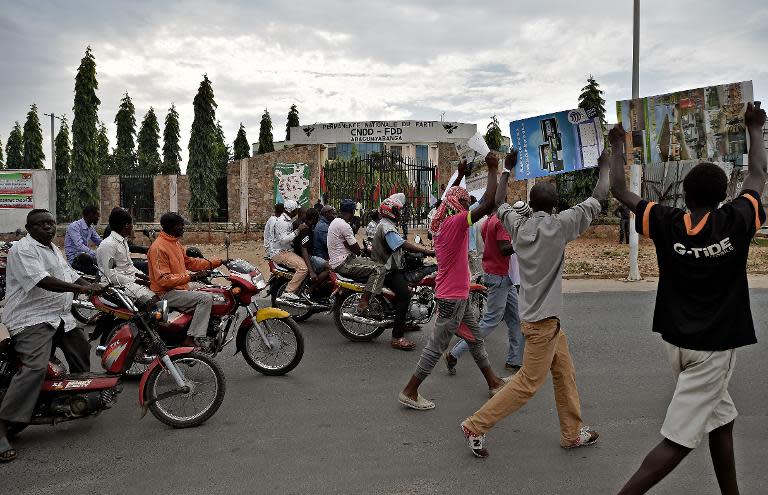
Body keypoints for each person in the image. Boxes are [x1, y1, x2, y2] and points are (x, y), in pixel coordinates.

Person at [612, 102, 767, 495]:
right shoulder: (737, 219)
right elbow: (758, 173)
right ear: (724, 194)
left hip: (677, 343)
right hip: (713, 348)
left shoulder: (667, 221)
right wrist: (755, 127)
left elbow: (619, 190)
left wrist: (616, 146)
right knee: (679, 439)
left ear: (684, 192)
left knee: (722, 418)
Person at [459, 146, 609, 458]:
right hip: (543, 323)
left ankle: (571, 434)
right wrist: (606, 165)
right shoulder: (561, 224)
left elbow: (498, 202)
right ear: (554, 206)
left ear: (530, 203)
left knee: (564, 372)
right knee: (527, 383)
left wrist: (506, 170)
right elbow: (598, 197)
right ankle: (476, 423)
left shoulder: (518, 224)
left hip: (542, 320)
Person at [398, 154, 508, 411]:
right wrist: (494, 168)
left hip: (458, 293)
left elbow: (449, 195)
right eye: (466, 201)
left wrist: (460, 175)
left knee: (476, 338)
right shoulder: (457, 223)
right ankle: (410, 391)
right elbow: (489, 201)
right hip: (452, 297)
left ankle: (493, 382)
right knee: (436, 347)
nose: (469, 204)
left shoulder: (441, 221)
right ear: (459, 205)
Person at [0, 209, 103, 463]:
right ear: (29, 228)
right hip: (32, 318)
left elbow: (68, 274)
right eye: (41, 224)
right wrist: (80, 287)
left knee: (81, 348)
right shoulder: (24, 249)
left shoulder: (53, 249)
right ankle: (2, 427)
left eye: (51, 223)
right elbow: (43, 281)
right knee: (34, 367)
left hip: (60, 317)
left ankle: (78, 399)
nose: (48, 227)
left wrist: (93, 285)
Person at [445, 198, 524, 375]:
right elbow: (504, 249)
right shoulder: (501, 222)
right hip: (500, 277)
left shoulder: (487, 222)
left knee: (516, 319)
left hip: (499, 275)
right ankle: (454, 354)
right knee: (489, 322)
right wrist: (522, 242)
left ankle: (514, 360)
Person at [148, 212, 223, 348]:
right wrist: (192, 276)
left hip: (180, 289)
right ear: (170, 227)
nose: (183, 229)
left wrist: (218, 262)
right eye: (180, 226)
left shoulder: (175, 243)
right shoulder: (159, 248)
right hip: (166, 293)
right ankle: (191, 338)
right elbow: (163, 280)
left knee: (213, 292)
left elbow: (190, 263)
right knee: (205, 299)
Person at [371, 194, 435, 351]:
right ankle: (397, 336)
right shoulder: (386, 226)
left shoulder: (387, 224)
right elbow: (400, 244)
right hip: (387, 270)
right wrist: (426, 251)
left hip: (392, 266)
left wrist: (419, 254)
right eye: (397, 211)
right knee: (405, 295)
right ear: (390, 211)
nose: (400, 214)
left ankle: (404, 320)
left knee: (412, 283)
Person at [327, 199, 386, 314]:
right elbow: (356, 249)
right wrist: (362, 250)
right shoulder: (344, 226)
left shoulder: (335, 222)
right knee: (380, 269)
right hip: (344, 263)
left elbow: (350, 245)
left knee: (372, 262)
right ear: (352, 211)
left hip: (342, 260)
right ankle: (364, 301)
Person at [97, 208, 155, 304]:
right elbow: (111, 276)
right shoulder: (109, 245)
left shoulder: (123, 242)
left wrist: (145, 277)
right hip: (116, 286)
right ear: (127, 226)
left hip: (128, 281)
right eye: (132, 224)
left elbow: (129, 267)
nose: (133, 227)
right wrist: (136, 281)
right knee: (153, 302)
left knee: (159, 291)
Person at [268, 200, 308, 303]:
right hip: (280, 252)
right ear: (292, 211)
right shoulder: (282, 222)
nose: (297, 212)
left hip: (286, 250)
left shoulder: (288, 220)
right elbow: (283, 239)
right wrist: (297, 231)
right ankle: (289, 291)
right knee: (303, 268)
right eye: (296, 210)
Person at [294, 208, 330, 297]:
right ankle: (311, 288)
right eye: (317, 218)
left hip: (312, 255)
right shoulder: (305, 230)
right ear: (314, 218)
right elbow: (304, 250)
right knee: (330, 268)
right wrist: (311, 271)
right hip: (308, 257)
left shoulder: (310, 227)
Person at [64, 205, 102, 275]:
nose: (98, 218)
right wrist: (96, 255)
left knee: (104, 263)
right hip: (75, 260)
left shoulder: (90, 228)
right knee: (100, 268)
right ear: (90, 215)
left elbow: (99, 241)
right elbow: (80, 246)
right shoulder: (74, 226)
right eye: (97, 216)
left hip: (84, 258)